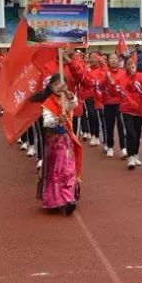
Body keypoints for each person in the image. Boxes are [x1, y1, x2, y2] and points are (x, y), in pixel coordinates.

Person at [34, 73, 82, 214]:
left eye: (62, 84)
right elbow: (47, 122)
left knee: (69, 170)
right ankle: (58, 200)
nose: (59, 87)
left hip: (67, 141)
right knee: (57, 172)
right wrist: (57, 120)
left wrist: (68, 95)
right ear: (51, 87)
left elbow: (74, 105)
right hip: (54, 143)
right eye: (56, 85)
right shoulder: (48, 103)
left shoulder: (65, 98)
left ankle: (68, 199)